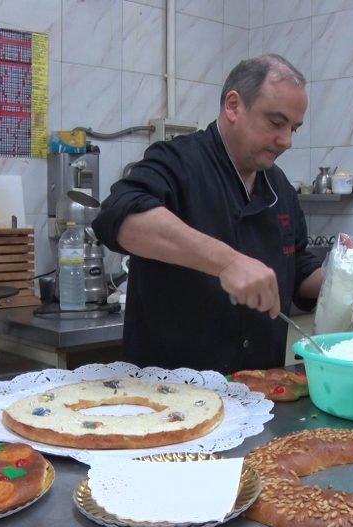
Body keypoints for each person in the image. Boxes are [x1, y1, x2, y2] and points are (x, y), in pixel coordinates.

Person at [93, 54, 323, 373]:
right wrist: (226, 261)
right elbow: (118, 217)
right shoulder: (179, 161)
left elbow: (298, 271)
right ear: (233, 106)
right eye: (276, 122)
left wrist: (348, 277)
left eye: (294, 129)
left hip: (256, 392)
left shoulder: (279, 187)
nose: (286, 141)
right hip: (169, 397)